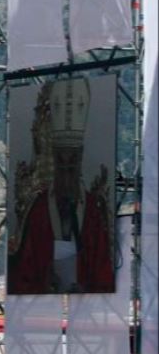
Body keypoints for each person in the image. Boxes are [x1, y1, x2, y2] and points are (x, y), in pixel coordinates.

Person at [8, 78, 113, 294]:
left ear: (79, 163)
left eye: (71, 166)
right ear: (54, 164)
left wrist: (86, 289)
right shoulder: (38, 210)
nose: (66, 174)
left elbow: (104, 270)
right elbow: (23, 273)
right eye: (61, 166)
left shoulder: (92, 210)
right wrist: (45, 284)